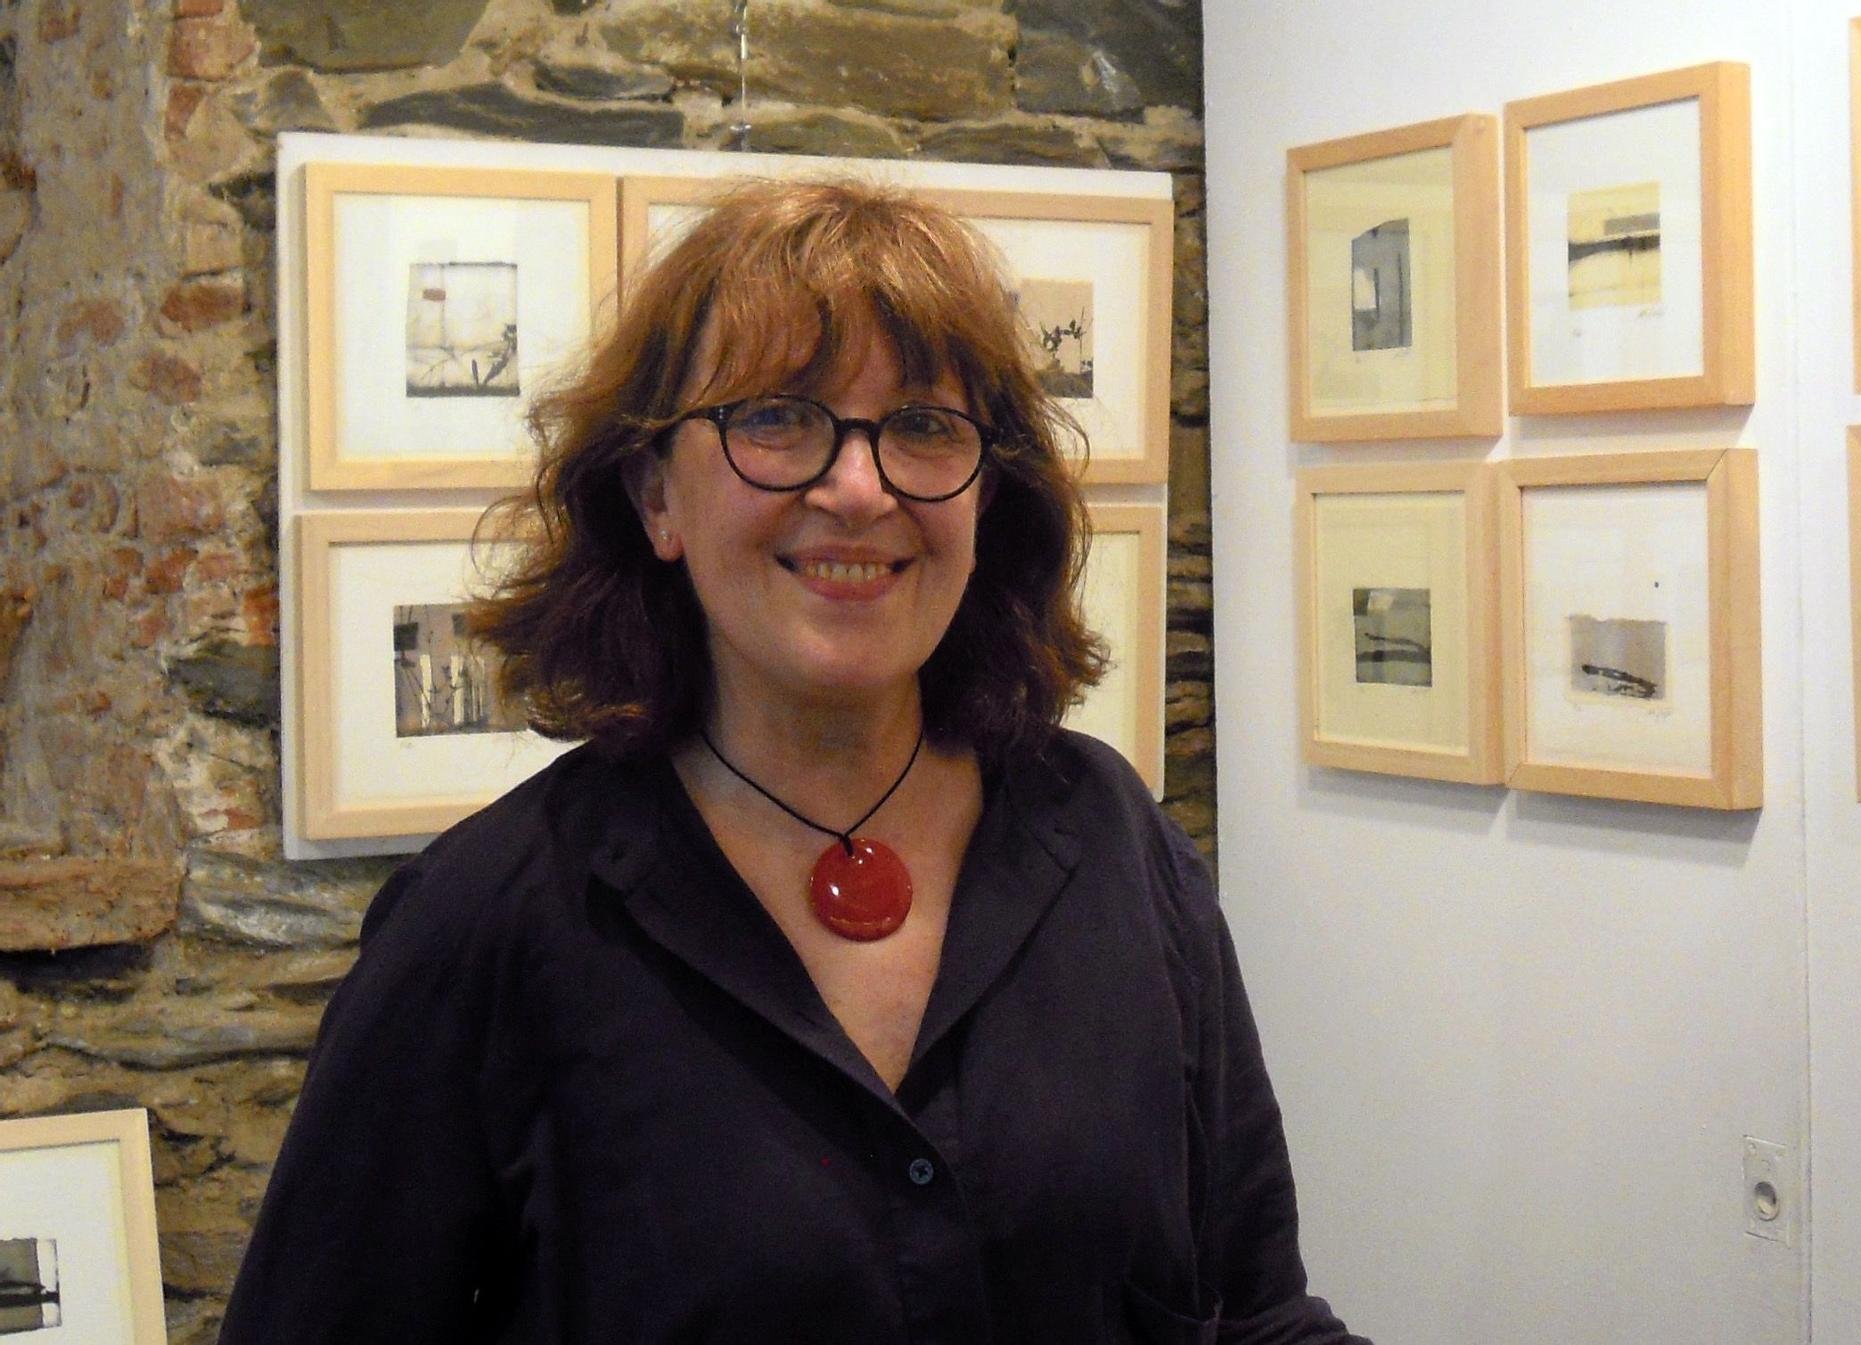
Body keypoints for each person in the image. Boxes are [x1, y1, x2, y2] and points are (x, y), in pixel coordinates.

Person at [219, 177, 1369, 1344]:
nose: (858, 488)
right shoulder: (488, 924)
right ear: (655, 494)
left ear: (984, 495)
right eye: (777, 417)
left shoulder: (1113, 844)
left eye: (923, 426)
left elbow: (1254, 1311)